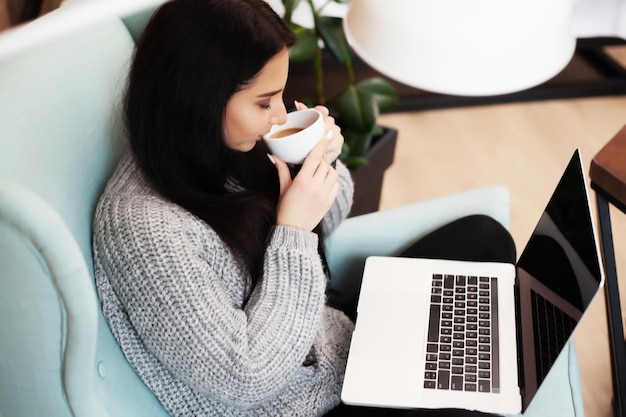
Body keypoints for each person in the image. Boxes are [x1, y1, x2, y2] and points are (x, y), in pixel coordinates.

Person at [92, 0, 515, 416]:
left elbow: (330, 222)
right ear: (197, 97)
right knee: (461, 399)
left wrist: (318, 164)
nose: (279, 115)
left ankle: (480, 371)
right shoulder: (142, 228)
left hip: (330, 339)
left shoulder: (222, 144)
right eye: (264, 102)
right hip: (303, 404)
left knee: (483, 237)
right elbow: (246, 377)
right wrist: (292, 231)